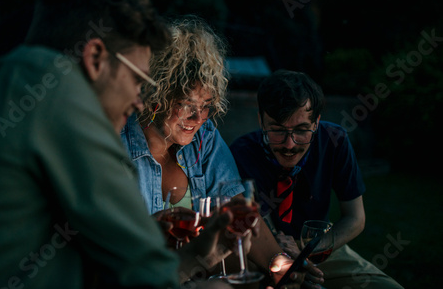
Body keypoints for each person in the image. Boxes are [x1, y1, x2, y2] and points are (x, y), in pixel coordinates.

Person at [0, 0, 256, 289]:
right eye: (137, 81)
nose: (139, 100)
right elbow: (144, 275)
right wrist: (195, 258)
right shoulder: (63, 100)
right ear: (94, 58)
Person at [120, 16, 317, 287]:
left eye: (207, 105)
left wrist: (280, 264)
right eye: (187, 104)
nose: (198, 117)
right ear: (158, 95)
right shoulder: (116, 145)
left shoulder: (205, 137)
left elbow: (239, 211)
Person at [230, 69, 404, 289]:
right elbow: (246, 227)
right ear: (261, 121)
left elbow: (355, 218)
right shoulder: (240, 154)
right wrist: (282, 256)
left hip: (322, 246)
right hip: (263, 250)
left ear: (316, 122)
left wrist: (308, 250)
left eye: (302, 130)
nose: (289, 144)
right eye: (277, 130)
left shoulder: (335, 142)